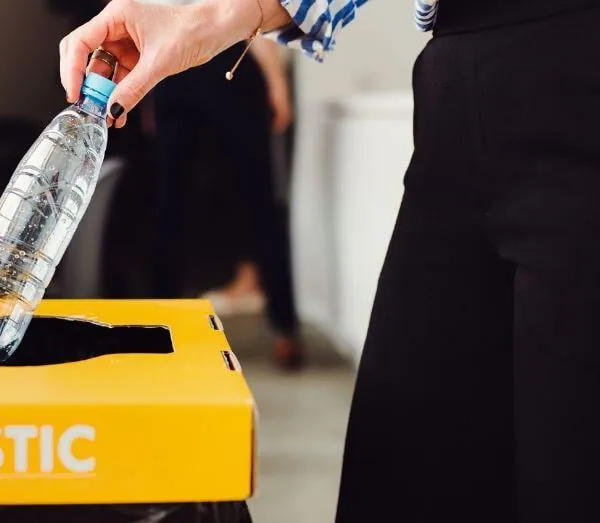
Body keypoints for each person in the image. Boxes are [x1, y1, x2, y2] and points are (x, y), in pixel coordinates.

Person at [59, 0, 600, 521]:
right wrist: (215, 15)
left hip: (576, 65)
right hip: (456, 74)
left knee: (569, 474)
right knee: (400, 477)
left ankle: (283, 324)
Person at [139, 1, 301, 367]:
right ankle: (285, 328)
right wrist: (276, 79)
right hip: (226, 62)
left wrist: (149, 83)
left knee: (171, 201)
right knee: (256, 195)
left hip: (177, 65)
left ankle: (153, 329)